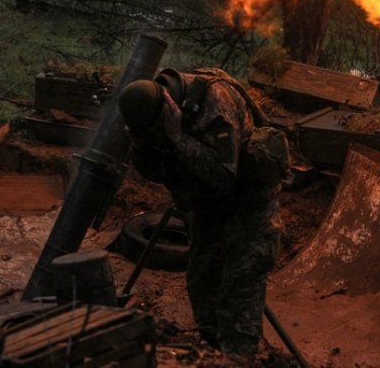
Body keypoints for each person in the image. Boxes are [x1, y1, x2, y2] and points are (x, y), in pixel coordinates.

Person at [117, 68, 281, 357]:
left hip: (248, 211)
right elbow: (155, 171)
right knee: (203, 293)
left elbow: (222, 176)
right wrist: (141, 145)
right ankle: (215, 353)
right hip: (208, 211)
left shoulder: (216, 102)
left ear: (168, 106)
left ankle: (238, 358)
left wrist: (178, 138)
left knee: (237, 306)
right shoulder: (152, 110)